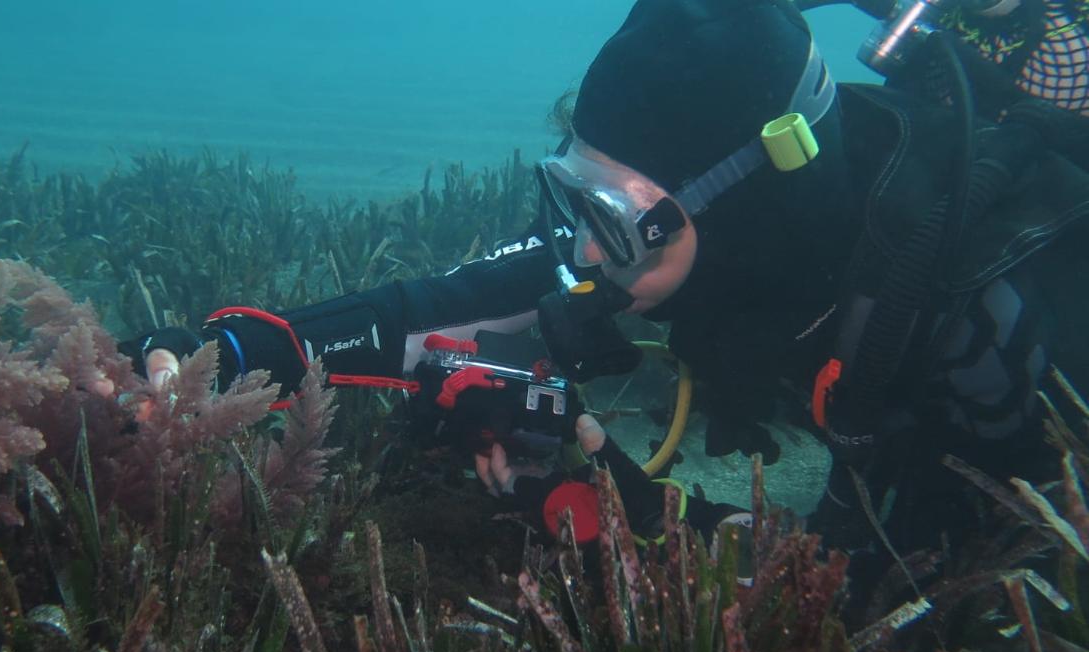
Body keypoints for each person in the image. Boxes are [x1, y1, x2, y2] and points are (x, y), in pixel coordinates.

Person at [120, 0, 1089, 575]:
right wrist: (233, 353)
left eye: (612, 216)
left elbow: (887, 590)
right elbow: (423, 312)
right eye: (568, 191)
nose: (581, 248)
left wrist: (624, 508)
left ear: (745, 207)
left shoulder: (967, 317)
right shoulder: (652, 236)